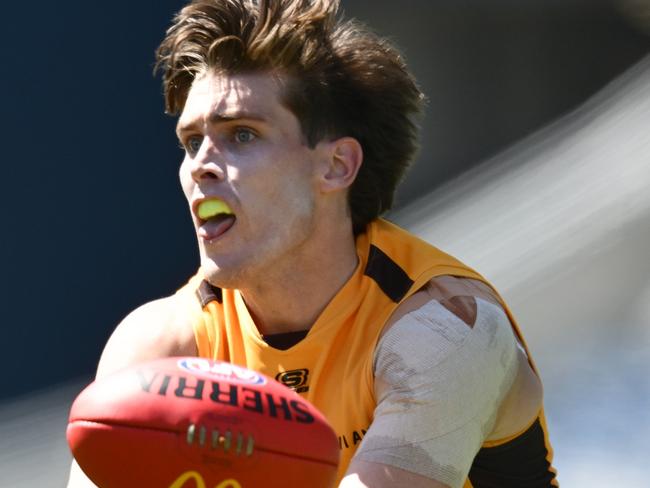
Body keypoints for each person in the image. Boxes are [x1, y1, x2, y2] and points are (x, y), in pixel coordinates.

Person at [68, 0, 558, 486]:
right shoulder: (160, 348)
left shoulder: (442, 331)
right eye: (192, 141)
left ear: (337, 166)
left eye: (241, 134)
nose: (201, 165)